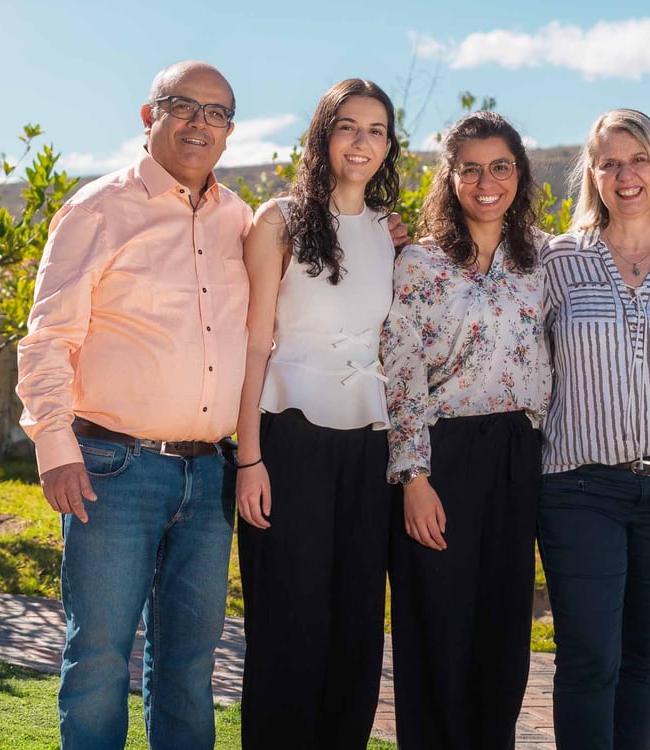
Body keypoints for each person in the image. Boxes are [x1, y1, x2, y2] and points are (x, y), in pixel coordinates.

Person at [15, 61, 252, 750]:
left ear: (230, 132)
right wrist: (55, 448)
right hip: (109, 469)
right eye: (184, 106)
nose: (199, 123)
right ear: (150, 117)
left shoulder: (241, 221)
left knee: (189, 664)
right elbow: (47, 341)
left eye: (216, 113)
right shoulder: (96, 210)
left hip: (209, 475)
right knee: (99, 658)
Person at [234, 78, 400, 749]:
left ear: (390, 146)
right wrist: (248, 458)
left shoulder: (393, 231)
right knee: (288, 626)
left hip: (369, 447)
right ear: (323, 134)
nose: (362, 143)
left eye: (377, 131)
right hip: (287, 443)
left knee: (358, 627)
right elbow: (252, 344)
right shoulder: (277, 219)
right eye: (349, 127)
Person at [381, 110, 551, 749]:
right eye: (471, 169)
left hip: (517, 455)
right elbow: (399, 375)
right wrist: (414, 478)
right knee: (436, 629)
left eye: (501, 167)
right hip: (439, 457)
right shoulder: (418, 264)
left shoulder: (541, 261)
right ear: (449, 179)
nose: (487, 182)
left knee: (504, 633)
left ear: (519, 174)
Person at [537, 108, 650, 750]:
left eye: (638, 159)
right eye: (609, 162)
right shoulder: (554, 261)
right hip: (578, 489)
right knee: (590, 654)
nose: (626, 175)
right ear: (591, 175)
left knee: (647, 655)